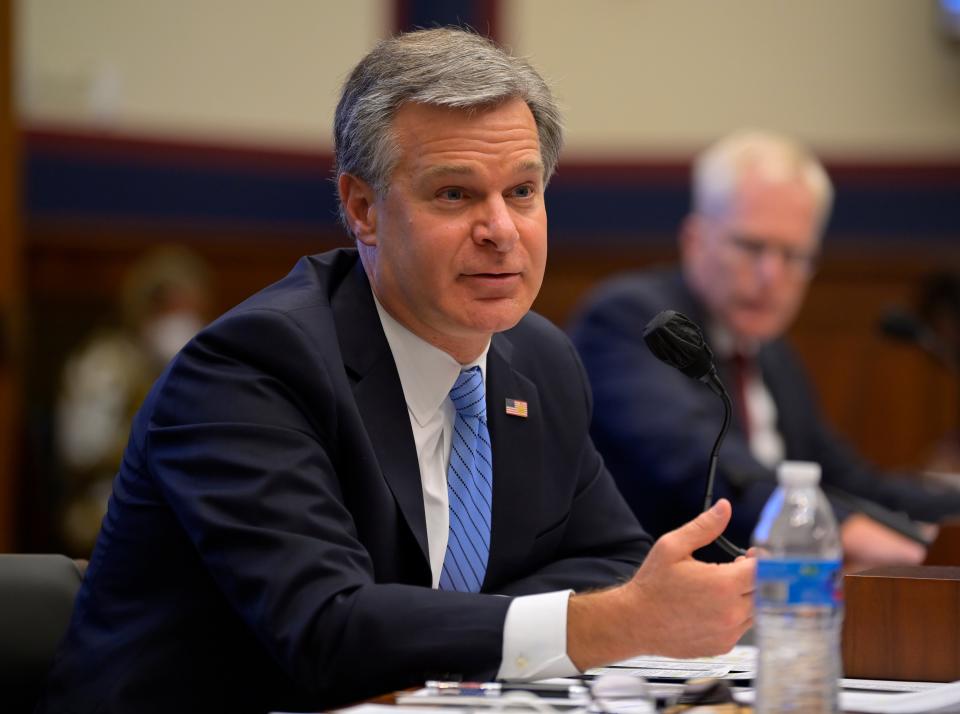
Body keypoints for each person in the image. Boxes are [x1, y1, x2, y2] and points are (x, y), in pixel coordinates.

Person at [39, 29, 754, 714]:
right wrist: (596, 624)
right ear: (362, 210)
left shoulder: (538, 360)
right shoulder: (254, 368)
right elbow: (328, 630)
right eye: (455, 194)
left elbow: (612, 558)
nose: (501, 230)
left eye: (523, 192)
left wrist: (464, 623)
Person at [570, 129, 960, 570]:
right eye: (751, 246)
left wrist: (946, 509)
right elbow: (703, 465)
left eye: (794, 255)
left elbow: (848, 480)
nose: (771, 275)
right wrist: (845, 530)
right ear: (695, 240)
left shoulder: (770, 353)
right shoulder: (633, 322)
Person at [54, 244, 212, 555]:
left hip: (190, 502)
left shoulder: (212, 367)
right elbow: (83, 450)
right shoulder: (105, 364)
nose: (178, 320)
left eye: (187, 308)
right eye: (167, 308)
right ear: (141, 307)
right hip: (109, 503)